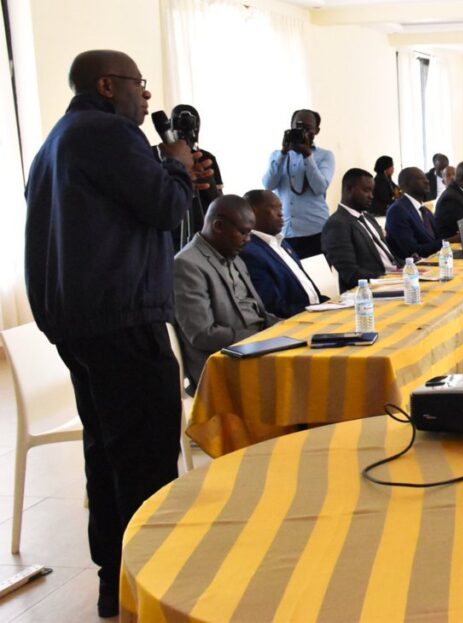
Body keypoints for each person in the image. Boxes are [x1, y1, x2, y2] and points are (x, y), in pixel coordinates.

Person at [24, 49, 210, 618]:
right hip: (123, 318)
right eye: (139, 84)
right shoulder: (107, 134)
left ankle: (116, 580)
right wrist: (175, 164)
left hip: (78, 322)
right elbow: (162, 208)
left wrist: (170, 171)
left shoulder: (59, 140)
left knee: (106, 454)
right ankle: (157, 582)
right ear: (108, 85)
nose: (147, 95)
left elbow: (119, 214)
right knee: (147, 457)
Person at [174, 195, 278, 390]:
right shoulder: (187, 264)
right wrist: (260, 337)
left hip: (258, 347)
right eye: (243, 233)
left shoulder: (234, 256)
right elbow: (202, 334)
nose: (248, 240)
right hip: (226, 362)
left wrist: (286, 328)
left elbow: (258, 313)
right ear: (219, 226)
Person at [262, 109, 335, 259]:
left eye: (307, 128)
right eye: (297, 127)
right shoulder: (278, 155)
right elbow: (268, 185)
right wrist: (283, 152)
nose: (302, 131)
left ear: (317, 131)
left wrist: (308, 155)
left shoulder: (325, 156)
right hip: (285, 232)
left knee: (321, 278)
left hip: (316, 230)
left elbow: (320, 187)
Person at [238, 189, 324, 318]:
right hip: (297, 321)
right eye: (274, 208)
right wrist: (316, 310)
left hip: (316, 311)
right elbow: (273, 307)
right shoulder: (250, 252)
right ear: (252, 212)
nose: (281, 214)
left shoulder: (282, 242)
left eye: (281, 208)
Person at [322, 168, 400, 291]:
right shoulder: (337, 224)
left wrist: (405, 266)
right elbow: (350, 273)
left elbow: (389, 256)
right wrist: (388, 278)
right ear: (349, 189)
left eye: (372, 191)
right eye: (366, 190)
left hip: (393, 281)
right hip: (368, 291)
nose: (371, 196)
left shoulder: (368, 218)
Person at [169, 104, 223, 251]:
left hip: (202, 227)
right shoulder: (160, 154)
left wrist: (205, 177)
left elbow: (217, 200)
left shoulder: (206, 158)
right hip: (171, 228)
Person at [386, 167, 456, 261]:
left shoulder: (425, 210)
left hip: (435, 260)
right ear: (406, 184)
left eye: (426, 178)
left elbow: (437, 239)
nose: (427, 181)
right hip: (413, 268)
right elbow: (411, 250)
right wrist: (449, 241)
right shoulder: (397, 211)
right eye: (420, 179)